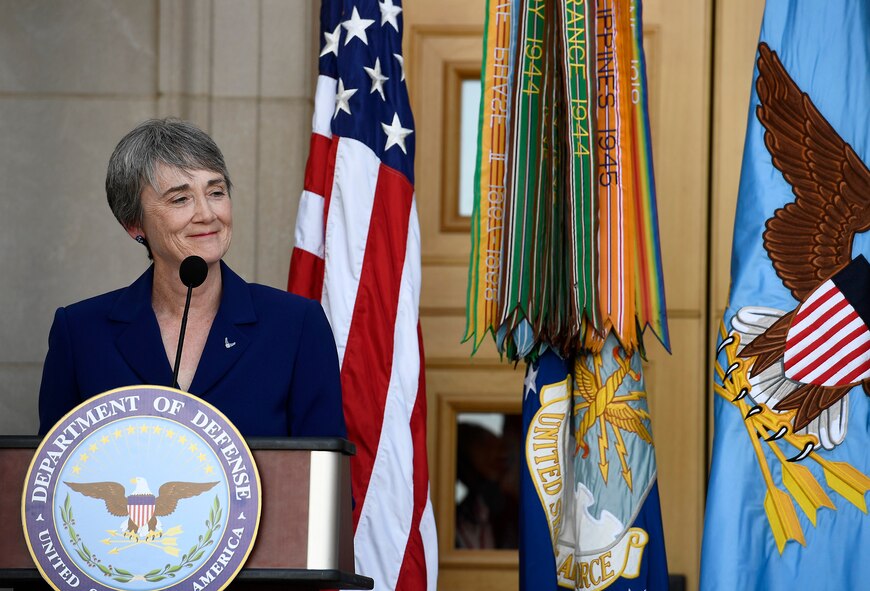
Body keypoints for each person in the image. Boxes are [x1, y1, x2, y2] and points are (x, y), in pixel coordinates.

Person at [37, 119, 346, 439]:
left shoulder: (295, 325)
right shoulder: (80, 333)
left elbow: (323, 475)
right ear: (133, 224)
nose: (207, 214)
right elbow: (52, 471)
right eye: (180, 199)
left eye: (215, 192)